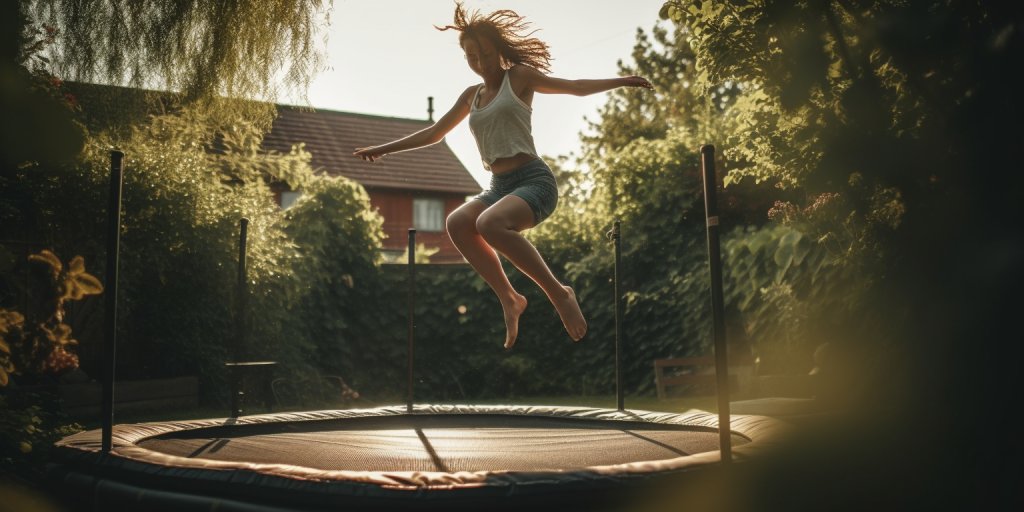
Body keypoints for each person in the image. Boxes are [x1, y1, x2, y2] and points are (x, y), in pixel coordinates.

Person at [354, 3, 652, 349]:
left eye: (485, 53)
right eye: (471, 56)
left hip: (534, 182)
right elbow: (435, 132)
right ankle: (510, 299)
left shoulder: (519, 77)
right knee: (456, 223)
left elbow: (573, 86)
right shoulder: (472, 95)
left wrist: (621, 82)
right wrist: (384, 148)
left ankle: (560, 293)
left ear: (498, 51)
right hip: (498, 187)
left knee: (489, 225)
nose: (480, 62)